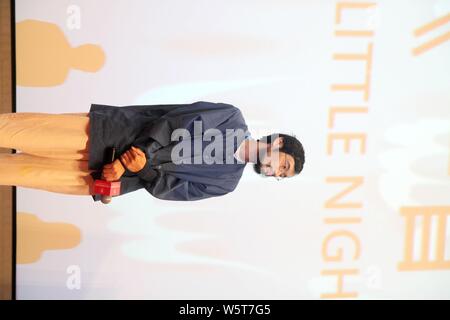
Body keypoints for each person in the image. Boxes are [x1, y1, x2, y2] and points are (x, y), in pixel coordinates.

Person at [0, 101, 305, 202]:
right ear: (277, 143)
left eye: (282, 175)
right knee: (13, 131)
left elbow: (171, 191)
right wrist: (133, 158)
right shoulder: (231, 118)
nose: (277, 172)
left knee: (12, 172)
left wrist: (136, 169)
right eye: (284, 165)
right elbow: (174, 123)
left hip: (105, 177)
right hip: (106, 134)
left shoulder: (226, 182)